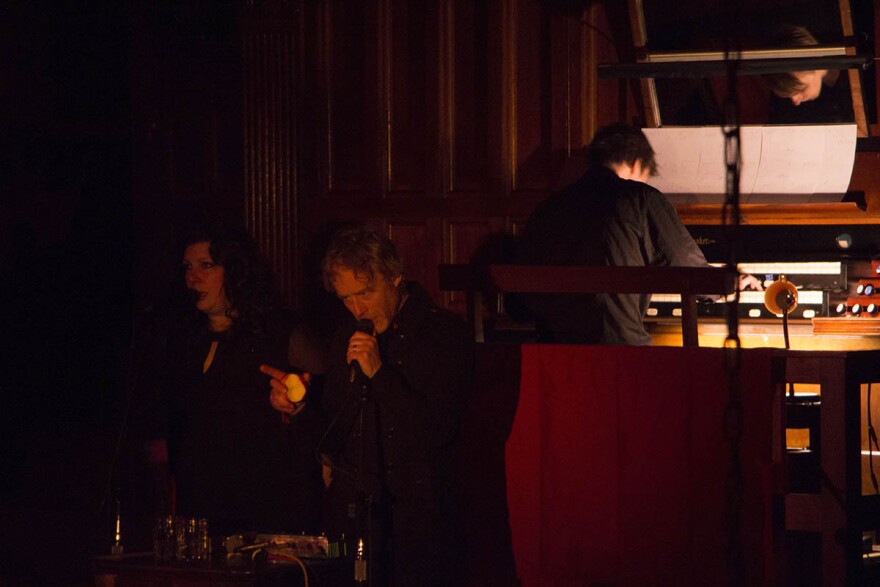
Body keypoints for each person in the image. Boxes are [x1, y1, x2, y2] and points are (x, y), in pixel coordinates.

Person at [263, 227, 473, 587]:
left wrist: (380, 375)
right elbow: (334, 433)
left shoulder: (445, 335)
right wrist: (298, 407)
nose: (357, 308)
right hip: (354, 522)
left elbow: (439, 430)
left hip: (417, 525)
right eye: (346, 298)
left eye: (365, 293)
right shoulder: (346, 337)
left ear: (394, 276)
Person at [145, 219, 325, 537]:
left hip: (264, 510)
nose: (192, 277)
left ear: (235, 271)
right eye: (187, 267)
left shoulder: (279, 332)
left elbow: (328, 407)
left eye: (206, 266)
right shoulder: (183, 338)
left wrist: (297, 402)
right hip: (200, 510)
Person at [518, 123, 760, 345]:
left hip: (553, 350)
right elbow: (685, 265)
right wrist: (727, 283)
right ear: (636, 164)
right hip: (617, 348)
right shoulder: (640, 197)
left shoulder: (550, 206)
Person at [763, 24, 854, 124]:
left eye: (798, 89)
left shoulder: (855, 73)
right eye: (788, 95)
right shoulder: (790, 108)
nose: (795, 101)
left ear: (812, 63)